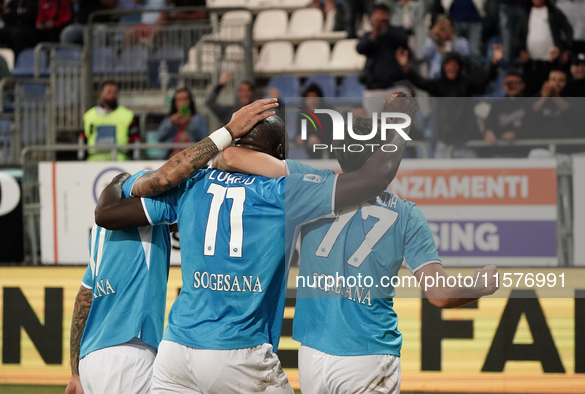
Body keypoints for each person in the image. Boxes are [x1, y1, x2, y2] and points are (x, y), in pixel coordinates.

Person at [94, 94, 418, 394]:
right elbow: (374, 180)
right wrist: (401, 121)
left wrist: (115, 183)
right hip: (238, 349)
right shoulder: (285, 192)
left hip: (176, 349)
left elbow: (109, 214)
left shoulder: (192, 182)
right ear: (280, 154)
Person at [213, 99, 499, 394]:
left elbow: (233, 157)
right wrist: (481, 284)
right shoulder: (407, 215)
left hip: (313, 356)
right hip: (369, 354)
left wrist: (220, 149)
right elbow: (440, 295)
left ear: (338, 153)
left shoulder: (310, 184)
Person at [65, 99, 281, 394]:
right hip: (130, 347)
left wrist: (76, 372)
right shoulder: (142, 184)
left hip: (98, 355)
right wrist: (228, 135)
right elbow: (165, 177)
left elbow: (84, 298)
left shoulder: (101, 234)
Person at [396, 45, 503, 157]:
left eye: (455, 64)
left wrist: (494, 62)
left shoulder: (467, 84)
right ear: (444, 67)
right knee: (439, 173)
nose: (452, 66)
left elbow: (483, 77)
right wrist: (406, 68)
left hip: (466, 143)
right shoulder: (439, 85)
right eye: (449, 63)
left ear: (459, 67)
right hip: (444, 142)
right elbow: (420, 82)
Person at [357, 4, 410, 116]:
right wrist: (375, 32)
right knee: (374, 127)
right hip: (374, 89)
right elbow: (360, 48)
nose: (381, 18)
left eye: (384, 14)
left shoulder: (396, 31)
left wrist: (383, 31)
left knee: (399, 126)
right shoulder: (369, 36)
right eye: (378, 14)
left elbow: (402, 40)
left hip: (396, 86)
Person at [517, 0, 573, 96]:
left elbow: (568, 30)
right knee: (532, 89)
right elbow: (519, 34)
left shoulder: (553, 11)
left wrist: (565, 50)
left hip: (550, 60)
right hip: (531, 60)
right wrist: (521, 49)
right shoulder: (526, 12)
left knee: (551, 88)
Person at [83, 81, 136, 161]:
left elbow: (135, 141)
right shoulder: (89, 116)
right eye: (109, 92)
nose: (112, 95)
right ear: (101, 94)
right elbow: (82, 140)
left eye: (115, 92)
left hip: (120, 161)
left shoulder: (127, 115)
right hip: (94, 161)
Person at [482, 70, 530, 157]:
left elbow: (533, 127)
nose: (512, 86)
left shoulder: (529, 104)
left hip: (524, 153)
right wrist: (488, 131)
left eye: (515, 82)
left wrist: (516, 134)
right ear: (504, 86)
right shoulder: (497, 105)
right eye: (509, 83)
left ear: (522, 85)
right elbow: (488, 124)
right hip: (501, 153)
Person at [156, 87, 208, 159]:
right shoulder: (169, 119)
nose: (183, 102)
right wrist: (170, 122)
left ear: (190, 101)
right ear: (175, 103)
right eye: (179, 100)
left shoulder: (198, 119)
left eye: (185, 99)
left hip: (193, 158)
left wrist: (190, 124)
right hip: (171, 157)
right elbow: (159, 137)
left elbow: (204, 138)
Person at [293, 83, 336, 160]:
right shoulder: (302, 114)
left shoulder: (329, 113)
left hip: (331, 157)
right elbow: (299, 134)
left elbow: (334, 136)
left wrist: (320, 140)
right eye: (309, 98)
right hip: (311, 156)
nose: (312, 101)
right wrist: (300, 138)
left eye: (315, 97)